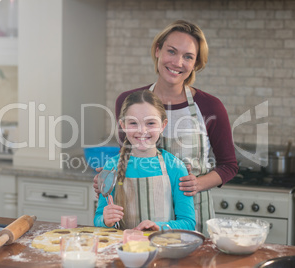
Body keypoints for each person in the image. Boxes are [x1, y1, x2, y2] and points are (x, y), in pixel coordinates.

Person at [94, 20, 238, 236]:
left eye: (188, 56)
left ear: (195, 63)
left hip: (190, 217)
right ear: (158, 50)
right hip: (138, 221)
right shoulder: (129, 101)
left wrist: (196, 184)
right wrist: (108, 177)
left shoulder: (209, 106)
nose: (178, 62)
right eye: (172, 51)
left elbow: (229, 165)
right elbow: (130, 151)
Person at [94, 90, 196, 231]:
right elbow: (98, 218)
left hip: (162, 249)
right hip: (123, 250)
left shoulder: (175, 167)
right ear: (123, 125)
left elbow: (188, 223)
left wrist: (159, 227)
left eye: (150, 123)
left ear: (163, 125)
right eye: (133, 123)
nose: (142, 130)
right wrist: (105, 220)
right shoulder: (111, 166)